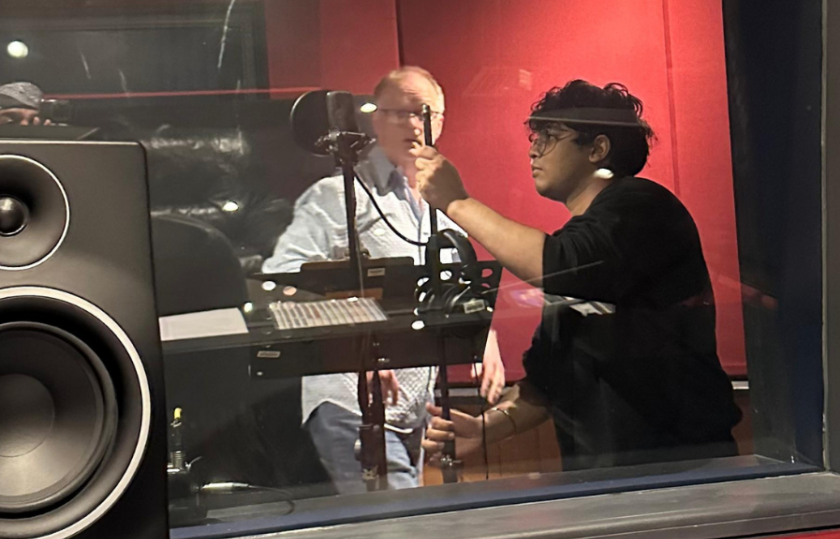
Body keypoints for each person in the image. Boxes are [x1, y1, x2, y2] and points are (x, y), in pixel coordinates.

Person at [416, 80, 741, 471]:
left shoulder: (642, 206)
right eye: (535, 136)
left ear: (597, 149)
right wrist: (486, 429)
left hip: (679, 469)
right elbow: (546, 382)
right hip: (609, 478)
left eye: (550, 135)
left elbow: (559, 264)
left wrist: (456, 201)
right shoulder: (586, 244)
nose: (534, 148)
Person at [263, 66, 505, 492]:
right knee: (402, 525)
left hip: (414, 407)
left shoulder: (443, 202)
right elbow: (279, 285)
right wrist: (357, 340)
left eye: (424, 114)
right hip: (349, 403)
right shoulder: (337, 196)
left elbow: (456, 285)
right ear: (375, 120)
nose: (413, 125)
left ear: (442, 121)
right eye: (399, 113)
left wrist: (486, 338)